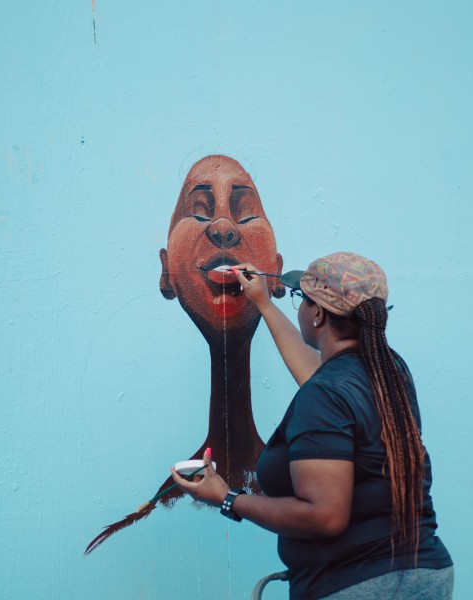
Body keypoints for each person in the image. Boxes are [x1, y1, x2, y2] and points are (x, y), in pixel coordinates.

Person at [171, 252, 454, 599]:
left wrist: (228, 498)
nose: (299, 308)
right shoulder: (389, 372)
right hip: (425, 572)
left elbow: (324, 516)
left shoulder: (327, 394)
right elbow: (320, 379)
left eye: (300, 300)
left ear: (317, 313)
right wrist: (265, 304)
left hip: (360, 585)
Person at [85, 155, 283, 555]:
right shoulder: (149, 522)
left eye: (245, 214)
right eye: (198, 211)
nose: (224, 228)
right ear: (166, 272)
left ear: (277, 274)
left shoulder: (303, 481)